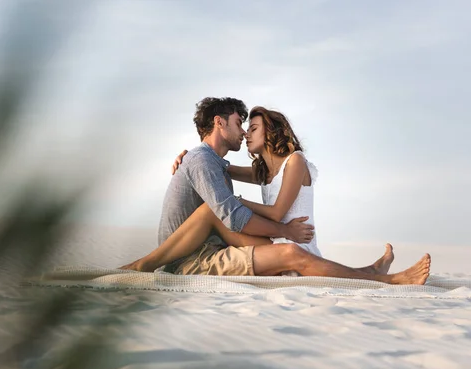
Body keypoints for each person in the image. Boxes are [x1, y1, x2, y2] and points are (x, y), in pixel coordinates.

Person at [121, 98, 430, 285]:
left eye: (251, 127)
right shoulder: (206, 161)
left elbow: (232, 190)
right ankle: (388, 279)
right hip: (193, 258)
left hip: (259, 237)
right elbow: (232, 212)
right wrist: (189, 157)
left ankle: (372, 273)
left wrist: (191, 158)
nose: (244, 131)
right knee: (282, 248)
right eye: (241, 124)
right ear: (219, 122)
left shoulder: (263, 164)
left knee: (286, 249)